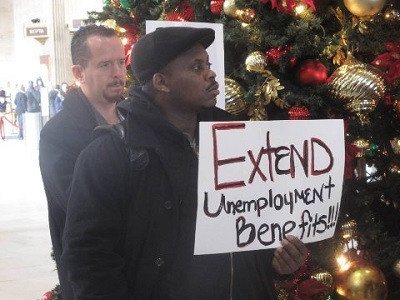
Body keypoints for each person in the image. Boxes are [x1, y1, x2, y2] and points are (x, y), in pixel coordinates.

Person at [62, 27, 308, 299]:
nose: (210, 74)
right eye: (196, 67)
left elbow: (250, 225)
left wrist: (274, 259)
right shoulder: (110, 156)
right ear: (161, 82)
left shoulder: (238, 141)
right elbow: (90, 262)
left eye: (208, 64)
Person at [39, 24, 126, 300]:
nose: (117, 73)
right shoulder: (58, 134)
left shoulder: (136, 120)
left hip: (142, 270)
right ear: (79, 73)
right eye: (104, 65)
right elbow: (80, 206)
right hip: (96, 279)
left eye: (121, 63)